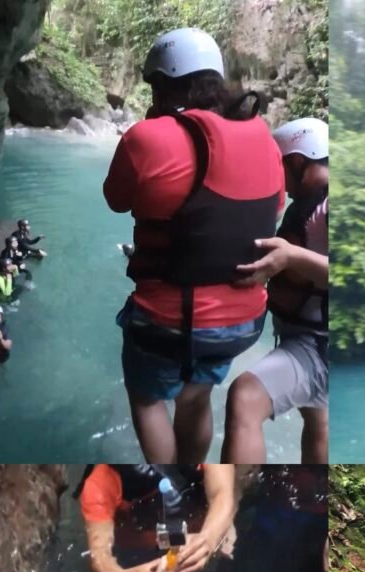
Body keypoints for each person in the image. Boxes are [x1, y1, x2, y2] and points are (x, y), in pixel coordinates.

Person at [103, 27, 285, 464]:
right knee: (195, 398)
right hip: (242, 324)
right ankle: (192, 476)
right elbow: (274, 208)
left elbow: (116, 200)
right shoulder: (266, 141)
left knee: (148, 400)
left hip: (166, 319)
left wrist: (150, 130)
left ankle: (170, 490)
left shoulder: (146, 137)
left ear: (163, 85)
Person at [222, 117, 329, 464]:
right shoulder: (312, 203)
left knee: (244, 398)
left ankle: (240, 500)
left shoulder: (325, 207)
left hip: (317, 346)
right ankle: (316, 500)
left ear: (298, 162)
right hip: (313, 337)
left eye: (278, 166)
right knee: (317, 419)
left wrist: (291, 256)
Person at [76, 464, 237, 572]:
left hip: (196, 537)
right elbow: (100, 555)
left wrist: (209, 538)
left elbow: (222, 494)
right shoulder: (100, 482)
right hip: (139, 558)